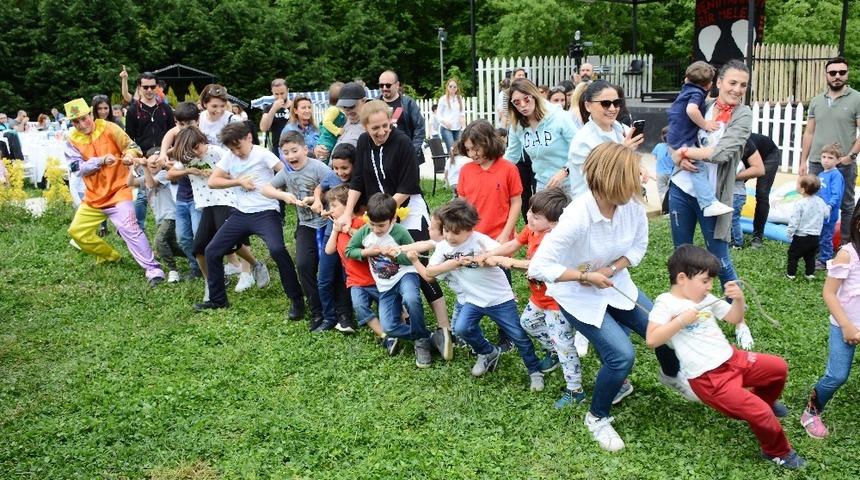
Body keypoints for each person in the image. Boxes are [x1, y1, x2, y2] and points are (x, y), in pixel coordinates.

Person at [528, 142, 692, 452]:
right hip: (577, 296)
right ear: (610, 181)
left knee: (663, 330)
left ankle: (671, 376)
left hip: (617, 285)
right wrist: (585, 276)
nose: (639, 184)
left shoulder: (630, 206)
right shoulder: (577, 215)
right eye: (632, 179)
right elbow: (539, 266)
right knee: (621, 356)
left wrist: (613, 267)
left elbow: (638, 248)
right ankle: (597, 417)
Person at [646, 245, 803, 469]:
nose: (709, 286)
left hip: (732, 359)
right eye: (705, 281)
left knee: (778, 368)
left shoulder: (706, 297)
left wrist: (738, 300)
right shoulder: (665, 303)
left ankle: (766, 402)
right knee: (758, 412)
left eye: (711, 281)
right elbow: (652, 340)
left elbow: (734, 318)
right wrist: (681, 321)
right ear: (682, 278)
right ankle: (776, 452)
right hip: (709, 379)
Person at [336, 100, 451, 351]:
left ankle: (444, 328)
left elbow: (408, 185)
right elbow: (357, 181)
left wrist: (388, 213)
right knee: (388, 265)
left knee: (419, 266)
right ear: (365, 127)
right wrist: (347, 213)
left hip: (407, 208)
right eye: (375, 128)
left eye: (385, 126)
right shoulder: (364, 143)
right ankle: (404, 320)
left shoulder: (403, 144)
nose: (381, 132)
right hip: (380, 212)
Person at [410, 198, 544, 390]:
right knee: (462, 329)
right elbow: (430, 274)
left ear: (469, 229)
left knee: (518, 336)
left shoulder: (480, 240)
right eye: (446, 230)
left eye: (455, 233)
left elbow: (500, 254)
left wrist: (490, 258)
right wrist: (454, 263)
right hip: (473, 300)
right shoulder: (443, 247)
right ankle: (487, 352)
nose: (449, 236)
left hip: (499, 299)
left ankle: (534, 370)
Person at [479, 187, 587, 407]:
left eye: (536, 217)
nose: (529, 217)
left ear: (554, 223)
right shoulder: (531, 230)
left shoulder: (555, 240)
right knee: (528, 322)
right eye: (529, 211)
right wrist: (491, 254)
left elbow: (537, 266)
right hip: (538, 298)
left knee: (565, 345)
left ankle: (575, 390)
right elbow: (513, 244)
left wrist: (507, 262)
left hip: (557, 301)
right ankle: (552, 350)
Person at [193, 122, 305, 319]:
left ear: (249, 138)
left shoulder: (263, 154)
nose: (237, 152)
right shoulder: (230, 157)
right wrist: (238, 181)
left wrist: (285, 192)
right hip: (240, 213)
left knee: (277, 250)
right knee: (212, 250)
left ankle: (297, 300)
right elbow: (213, 181)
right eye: (232, 149)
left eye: (239, 147)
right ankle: (218, 300)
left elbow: (285, 171)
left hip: (266, 212)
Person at [62, 98, 165, 286]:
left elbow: (132, 146)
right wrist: (99, 161)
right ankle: (110, 256)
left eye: (83, 118)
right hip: (93, 197)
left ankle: (153, 269)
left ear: (90, 114)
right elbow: (77, 167)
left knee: (129, 229)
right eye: (75, 121)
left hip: (119, 190)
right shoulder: (72, 140)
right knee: (77, 232)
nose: (81, 124)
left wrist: (128, 156)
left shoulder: (109, 128)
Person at [669, 60, 752, 288]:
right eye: (732, 82)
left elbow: (722, 153)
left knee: (719, 259)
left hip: (714, 199)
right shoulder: (700, 106)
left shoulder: (743, 115)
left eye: (743, 85)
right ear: (719, 82)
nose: (737, 89)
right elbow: (674, 130)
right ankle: (683, 307)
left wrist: (685, 152)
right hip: (682, 189)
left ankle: (738, 316)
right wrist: (676, 155)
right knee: (681, 254)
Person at [169, 126, 263, 302]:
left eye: (198, 147)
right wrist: (189, 171)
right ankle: (209, 283)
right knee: (199, 249)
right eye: (192, 150)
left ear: (203, 141)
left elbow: (238, 171)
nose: (196, 153)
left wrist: (217, 174)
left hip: (226, 200)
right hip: (206, 204)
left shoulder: (217, 151)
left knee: (227, 243)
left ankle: (254, 266)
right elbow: (171, 174)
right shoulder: (188, 157)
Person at [345, 193, 435, 368]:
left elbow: (410, 259)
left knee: (411, 299)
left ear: (393, 219)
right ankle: (424, 336)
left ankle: (421, 344)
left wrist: (395, 256)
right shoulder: (365, 232)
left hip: (404, 275)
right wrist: (368, 252)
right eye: (372, 224)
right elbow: (350, 251)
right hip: (384, 285)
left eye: (381, 225)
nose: (376, 229)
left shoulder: (400, 232)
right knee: (389, 328)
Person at [262, 131, 332, 331]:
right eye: (286, 152)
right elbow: (266, 189)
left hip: (327, 223)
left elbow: (335, 187)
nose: (291, 156)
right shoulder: (286, 172)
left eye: (294, 150)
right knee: (303, 265)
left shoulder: (319, 167)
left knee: (329, 267)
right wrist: (282, 195)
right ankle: (316, 309)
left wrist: (318, 199)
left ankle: (336, 308)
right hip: (306, 225)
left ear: (305, 149)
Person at [800, 213, 860, 440]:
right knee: (837, 375)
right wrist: (846, 326)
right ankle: (811, 412)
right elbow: (829, 292)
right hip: (844, 324)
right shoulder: (847, 255)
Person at [799, 56, 860, 244]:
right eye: (833, 73)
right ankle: (815, 244)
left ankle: (846, 246)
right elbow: (809, 132)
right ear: (826, 75)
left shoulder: (857, 98)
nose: (837, 76)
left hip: (843, 164)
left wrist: (850, 156)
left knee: (846, 205)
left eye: (842, 72)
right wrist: (803, 161)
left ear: (847, 74)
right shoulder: (817, 101)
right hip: (817, 163)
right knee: (814, 202)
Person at [666, 61, 734, 217]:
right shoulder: (696, 94)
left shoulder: (686, 89)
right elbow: (691, 110)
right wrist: (705, 124)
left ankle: (707, 201)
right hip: (683, 136)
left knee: (693, 165)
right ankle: (708, 202)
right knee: (698, 167)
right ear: (710, 84)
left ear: (686, 79)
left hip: (674, 133)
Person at [324, 184, 387, 345]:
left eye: (334, 205)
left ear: (347, 206)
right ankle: (384, 335)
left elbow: (368, 243)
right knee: (360, 307)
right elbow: (329, 250)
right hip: (355, 281)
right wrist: (335, 231)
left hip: (374, 278)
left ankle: (402, 322)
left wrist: (347, 229)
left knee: (388, 306)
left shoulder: (359, 223)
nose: (330, 209)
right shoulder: (336, 228)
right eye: (329, 206)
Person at [567, 80, 643, 199]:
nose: (612, 109)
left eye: (617, 103)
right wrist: (622, 152)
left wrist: (638, 168)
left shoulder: (623, 130)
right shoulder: (582, 141)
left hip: (622, 201)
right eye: (605, 104)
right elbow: (597, 181)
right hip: (593, 206)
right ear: (588, 106)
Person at [505, 79, 577, 195]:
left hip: (570, 182)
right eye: (516, 102)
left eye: (526, 99)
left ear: (535, 96)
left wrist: (565, 171)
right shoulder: (516, 125)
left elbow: (580, 149)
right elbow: (512, 156)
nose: (523, 105)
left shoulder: (559, 117)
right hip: (544, 184)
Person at [125, 71, 175, 231]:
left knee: (166, 192)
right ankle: (138, 228)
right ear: (139, 88)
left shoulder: (165, 108)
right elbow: (130, 138)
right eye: (145, 87)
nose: (148, 90)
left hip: (164, 157)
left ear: (157, 87)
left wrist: (168, 153)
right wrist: (136, 158)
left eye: (152, 86)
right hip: (144, 158)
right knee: (142, 195)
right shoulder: (133, 110)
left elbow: (173, 132)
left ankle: (169, 226)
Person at [137, 153, 185, 283]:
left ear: (162, 163)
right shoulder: (145, 177)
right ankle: (197, 256)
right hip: (160, 218)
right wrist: (133, 168)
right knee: (173, 246)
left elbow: (152, 185)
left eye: (157, 161)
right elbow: (130, 182)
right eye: (151, 161)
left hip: (170, 215)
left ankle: (173, 270)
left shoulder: (163, 174)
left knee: (159, 241)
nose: (153, 164)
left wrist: (144, 167)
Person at [786, 175, 829, 279]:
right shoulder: (820, 201)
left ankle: (791, 274)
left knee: (793, 255)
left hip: (801, 236)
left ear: (802, 190)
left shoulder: (800, 203)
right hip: (815, 236)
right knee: (810, 257)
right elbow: (827, 214)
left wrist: (790, 232)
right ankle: (809, 274)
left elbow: (794, 220)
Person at [378, 70, 425, 164]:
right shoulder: (375, 104)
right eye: (381, 85)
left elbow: (419, 128)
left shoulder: (408, 103)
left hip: (405, 155)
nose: (384, 88)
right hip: (382, 156)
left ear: (397, 84)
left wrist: (412, 151)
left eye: (388, 85)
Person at [315, 82, 367, 160]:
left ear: (364, 101)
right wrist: (318, 148)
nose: (348, 111)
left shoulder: (370, 125)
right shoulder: (343, 120)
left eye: (352, 106)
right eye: (345, 107)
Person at [746, 133, 781, 248]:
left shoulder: (744, 141)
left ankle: (757, 236)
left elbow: (758, 170)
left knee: (762, 194)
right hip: (748, 160)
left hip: (769, 155)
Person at [729, 140, 764, 248]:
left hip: (736, 195)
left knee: (733, 219)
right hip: (734, 194)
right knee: (729, 219)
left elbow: (730, 174)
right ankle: (731, 240)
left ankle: (737, 242)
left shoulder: (738, 163)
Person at [817, 144, 847, 267]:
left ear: (838, 160)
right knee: (819, 233)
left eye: (830, 158)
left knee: (826, 236)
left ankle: (825, 260)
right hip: (819, 211)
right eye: (824, 157)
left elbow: (837, 194)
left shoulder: (836, 175)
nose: (826, 160)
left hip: (829, 212)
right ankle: (817, 254)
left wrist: (829, 206)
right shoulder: (821, 174)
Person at [259, 78, 292, 157]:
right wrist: (274, 109)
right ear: (272, 92)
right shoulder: (269, 108)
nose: (279, 96)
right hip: (278, 148)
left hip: (295, 146)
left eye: (282, 93)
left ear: (287, 91)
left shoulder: (295, 106)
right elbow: (263, 128)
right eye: (276, 94)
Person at [315, 82, 346, 161]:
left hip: (332, 141)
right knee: (324, 159)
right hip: (327, 141)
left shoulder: (341, 110)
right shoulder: (334, 109)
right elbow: (326, 122)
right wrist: (337, 130)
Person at [437, 77, 466, 153]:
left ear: (457, 88)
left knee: (459, 150)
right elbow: (438, 115)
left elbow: (462, 115)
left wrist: (464, 128)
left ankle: (457, 165)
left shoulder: (460, 99)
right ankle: (450, 164)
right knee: (452, 149)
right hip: (446, 128)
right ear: (447, 87)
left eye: (454, 87)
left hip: (457, 128)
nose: (452, 88)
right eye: (450, 86)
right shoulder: (443, 99)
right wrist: (445, 122)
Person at [653, 126, 673, 202]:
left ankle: (664, 208)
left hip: (660, 174)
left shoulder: (658, 146)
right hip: (672, 174)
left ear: (662, 137)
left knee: (662, 192)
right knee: (671, 192)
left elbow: (655, 157)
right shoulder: (674, 147)